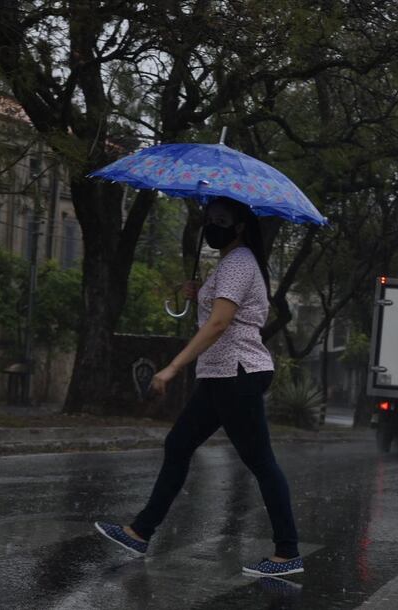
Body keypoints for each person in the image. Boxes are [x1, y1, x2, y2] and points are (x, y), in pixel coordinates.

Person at [95, 196, 303, 578]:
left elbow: (221, 323)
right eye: (210, 217)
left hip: (237, 373)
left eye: (221, 219)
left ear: (240, 226)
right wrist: (199, 295)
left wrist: (173, 367)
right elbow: (219, 313)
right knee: (178, 444)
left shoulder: (239, 264)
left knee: (260, 461)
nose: (212, 224)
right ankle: (140, 531)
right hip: (221, 375)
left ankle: (287, 551)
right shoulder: (229, 264)